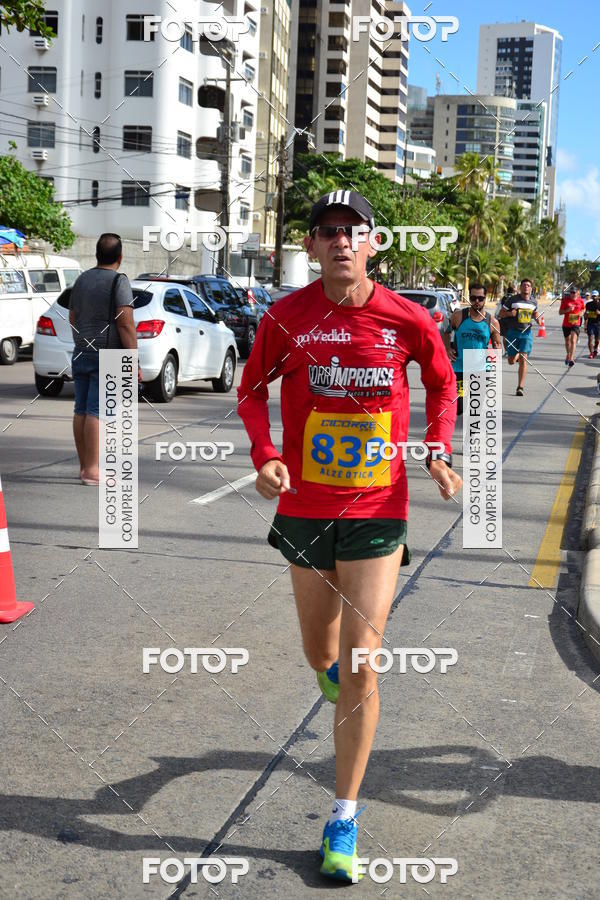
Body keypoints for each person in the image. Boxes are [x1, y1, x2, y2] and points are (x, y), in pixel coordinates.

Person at [237, 191, 462, 882]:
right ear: (311, 246)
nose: (340, 241)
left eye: (353, 232)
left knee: (363, 656)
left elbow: (443, 383)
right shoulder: (287, 317)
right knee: (320, 649)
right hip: (305, 507)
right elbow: (250, 390)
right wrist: (265, 454)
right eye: (328, 232)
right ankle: (327, 670)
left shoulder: (406, 317)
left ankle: (343, 815)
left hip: (377, 509)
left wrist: (436, 447)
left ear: (374, 242)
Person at [69, 233, 140, 485]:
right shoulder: (119, 281)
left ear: (96, 254)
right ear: (120, 257)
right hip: (107, 355)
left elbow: (73, 318)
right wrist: (133, 360)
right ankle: (92, 470)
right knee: (96, 411)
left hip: (81, 351)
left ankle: (84, 466)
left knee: (81, 410)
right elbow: (125, 323)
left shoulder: (81, 280)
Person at [446, 284, 502, 414]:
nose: (477, 301)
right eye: (473, 298)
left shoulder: (492, 322)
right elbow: (446, 332)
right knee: (459, 407)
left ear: (485, 298)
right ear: (469, 298)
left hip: (481, 368)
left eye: (480, 298)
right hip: (460, 367)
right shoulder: (458, 316)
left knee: (475, 405)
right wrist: (447, 348)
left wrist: (496, 351)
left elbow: (497, 343)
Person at [498, 278, 540, 395]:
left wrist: (538, 319)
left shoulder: (534, 302)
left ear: (531, 288)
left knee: (524, 358)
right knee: (511, 361)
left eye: (528, 285)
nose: (526, 287)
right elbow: (500, 313)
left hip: (526, 333)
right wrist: (510, 314)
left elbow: (535, 313)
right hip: (512, 332)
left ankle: (520, 387)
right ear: (520, 287)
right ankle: (515, 355)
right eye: (524, 285)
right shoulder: (512, 300)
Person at [559, 286, 585, 367]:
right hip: (566, 324)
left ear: (577, 293)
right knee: (567, 342)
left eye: (574, 292)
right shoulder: (565, 301)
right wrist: (568, 310)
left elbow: (583, 309)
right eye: (571, 292)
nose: (572, 294)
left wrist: (581, 313)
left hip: (576, 323)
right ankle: (568, 354)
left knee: (573, 341)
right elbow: (560, 312)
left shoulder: (580, 301)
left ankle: (571, 358)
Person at [584, 290, 600, 358]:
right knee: (590, 339)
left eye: (595, 296)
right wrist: (585, 315)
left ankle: (595, 349)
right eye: (593, 296)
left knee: (597, 340)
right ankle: (591, 353)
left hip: (598, 324)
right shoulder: (588, 304)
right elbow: (586, 314)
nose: (594, 297)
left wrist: (599, 313)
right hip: (590, 324)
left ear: (598, 297)